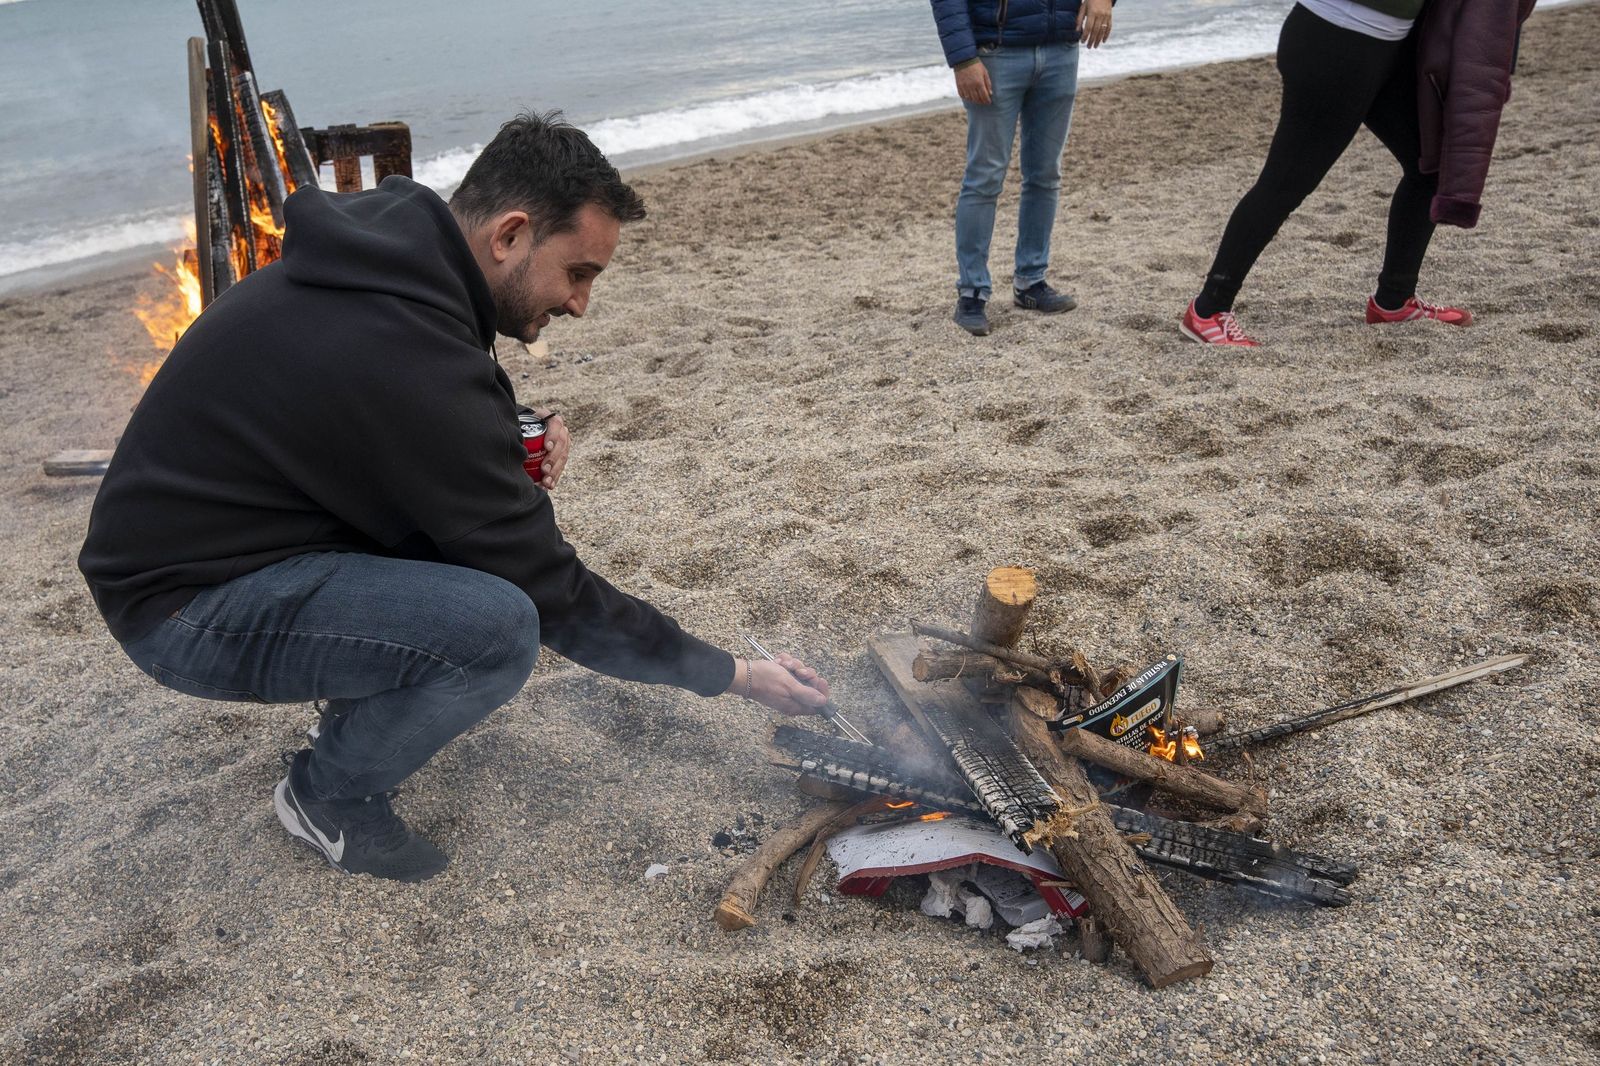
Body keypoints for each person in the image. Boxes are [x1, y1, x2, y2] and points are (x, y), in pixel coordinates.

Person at [78, 112, 832, 884]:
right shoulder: (405, 347)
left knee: (474, 569)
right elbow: (553, 593)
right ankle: (326, 795)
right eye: (578, 273)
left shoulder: (393, 265)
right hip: (181, 608)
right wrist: (736, 675)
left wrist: (509, 434)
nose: (580, 304)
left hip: (218, 545)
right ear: (510, 235)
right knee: (498, 628)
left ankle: (352, 700)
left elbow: (395, 421)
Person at [1179, 0, 1534, 346]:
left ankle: (1393, 301)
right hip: (1336, 39)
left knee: (1430, 164)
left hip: (1391, 44)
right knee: (1286, 183)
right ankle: (1208, 309)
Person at [930, 0, 1114, 337]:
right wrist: (963, 59)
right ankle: (972, 292)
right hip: (996, 53)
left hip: (1061, 49)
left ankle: (1031, 281)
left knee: (1046, 174)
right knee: (984, 177)